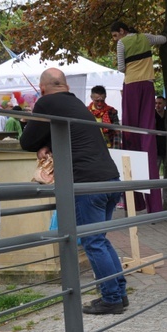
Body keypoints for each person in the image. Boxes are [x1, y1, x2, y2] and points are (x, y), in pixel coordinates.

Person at [20, 68, 128, 315]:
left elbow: (26, 142)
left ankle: (111, 298)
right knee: (100, 239)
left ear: (42, 87)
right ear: (65, 86)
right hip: (110, 179)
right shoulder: (76, 104)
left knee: (93, 242)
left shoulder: (46, 102)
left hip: (87, 183)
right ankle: (119, 293)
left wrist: (38, 140)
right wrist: (48, 142)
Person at [111, 21, 167, 213]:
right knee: (147, 135)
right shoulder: (146, 37)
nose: (115, 39)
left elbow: (120, 67)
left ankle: (135, 202)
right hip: (148, 85)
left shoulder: (121, 43)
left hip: (132, 86)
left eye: (115, 35)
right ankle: (155, 206)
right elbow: (163, 39)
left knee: (131, 135)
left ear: (121, 31)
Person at [154, 95, 166, 171]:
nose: (157, 105)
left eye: (159, 103)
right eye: (156, 103)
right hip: (156, 147)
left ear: (165, 104)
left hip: (166, 147)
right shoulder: (152, 115)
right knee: (155, 169)